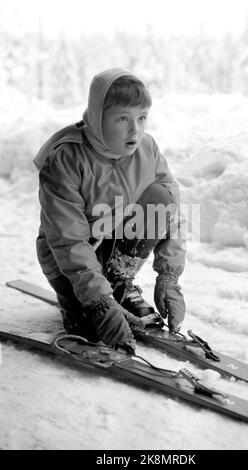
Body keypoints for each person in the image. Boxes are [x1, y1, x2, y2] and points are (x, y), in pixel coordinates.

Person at [34, 68, 186, 352]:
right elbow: (69, 241)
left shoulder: (147, 149)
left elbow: (171, 213)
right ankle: (85, 301)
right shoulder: (66, 160)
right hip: (66, 259)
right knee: (94, 329)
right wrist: (99, 302)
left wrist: (169, 276)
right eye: (122, 119)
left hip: (111, 242)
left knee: (159, 197)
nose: (135, 130)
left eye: (141, 118)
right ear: (97, 117)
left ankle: (118, 284)